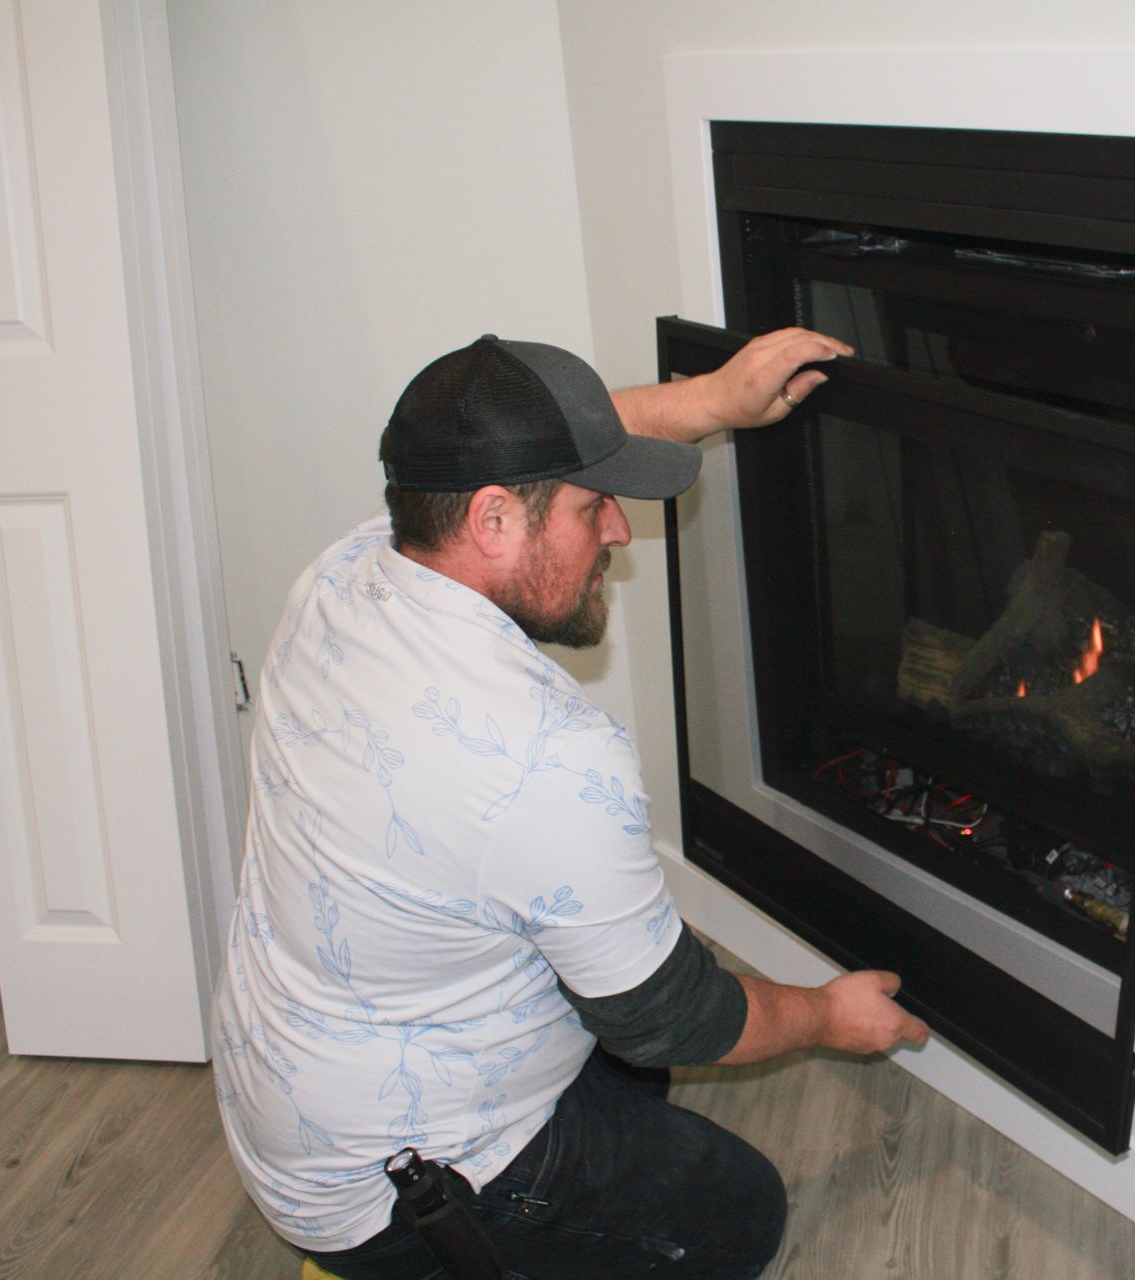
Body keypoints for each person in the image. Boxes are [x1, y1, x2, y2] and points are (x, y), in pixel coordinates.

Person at [212, 328, 928, 1280]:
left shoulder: (350, 572)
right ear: (497, 520)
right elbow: (676, 1018)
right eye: (597, 508)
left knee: (637, 1058)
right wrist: (833, 1018)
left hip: (296, 1086)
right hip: (395, 1195)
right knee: (735, 1214)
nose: (621, 532)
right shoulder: (545, 757)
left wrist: (713, 400)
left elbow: (534, 450)